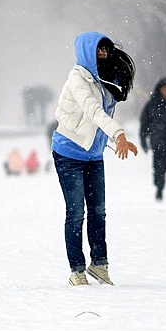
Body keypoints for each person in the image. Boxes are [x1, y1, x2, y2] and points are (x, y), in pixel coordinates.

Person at [51, 31, 138, 286]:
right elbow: (94, 113)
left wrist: (113, 140)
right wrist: (119, 134)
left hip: (94, 156)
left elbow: (101, 122)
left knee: (98, 211)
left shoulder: (104, 81)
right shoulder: (77, 80)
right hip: (68, 154)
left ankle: (99, 265)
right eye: (99, 49)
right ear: (87, 52)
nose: (104, 53)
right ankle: (76, 270)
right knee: (76, 212)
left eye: (106, 49)